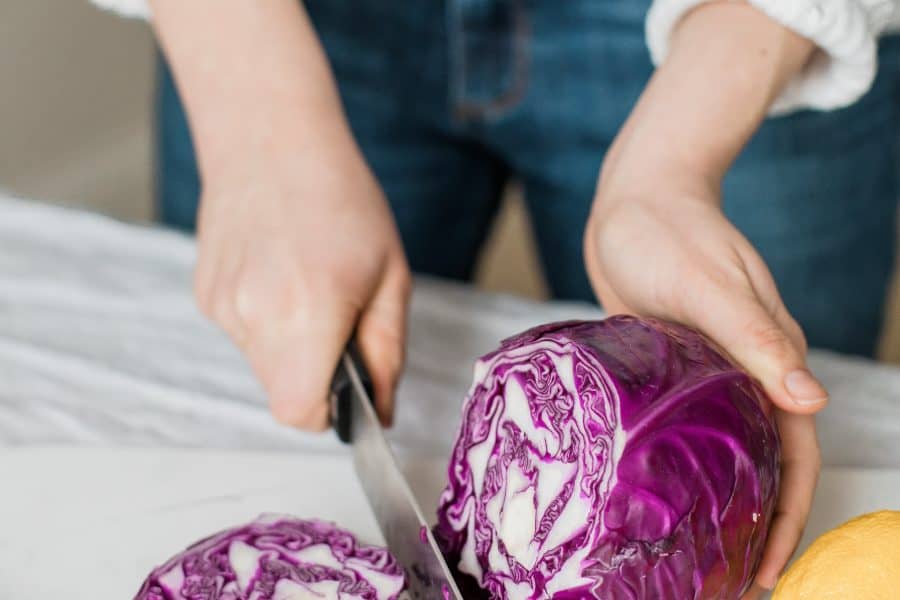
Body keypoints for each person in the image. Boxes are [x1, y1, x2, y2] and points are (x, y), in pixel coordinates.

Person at [93, 0, 900, 595]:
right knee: (278, 352)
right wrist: (252, 112)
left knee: (775, 372)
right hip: (279, 23)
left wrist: (668, 171)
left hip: (738, 31)